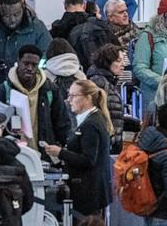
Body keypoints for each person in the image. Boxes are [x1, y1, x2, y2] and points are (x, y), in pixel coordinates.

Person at [45, 78, 115, 217]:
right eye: (68, 95)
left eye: (73, 96)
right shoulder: (90, 121)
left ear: (88, 98)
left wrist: (61, 153)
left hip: (89, 192)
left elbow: (88, 160)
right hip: (88, 190)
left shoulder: (91, 124)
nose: (68, 100)